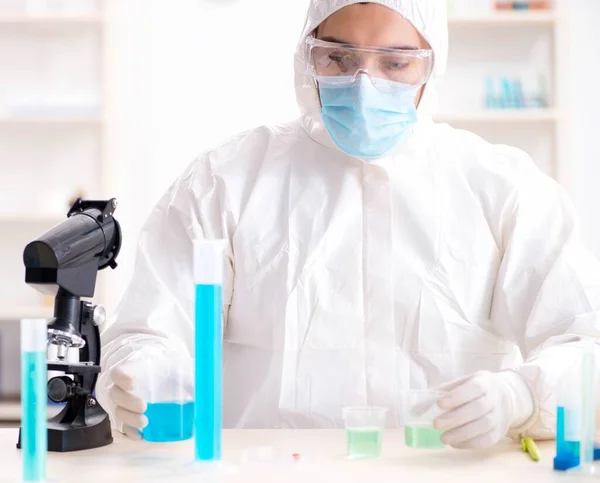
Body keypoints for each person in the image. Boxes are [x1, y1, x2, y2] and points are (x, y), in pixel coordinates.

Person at [97, 0, 600, 450]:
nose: (363, 85)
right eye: (337, 58)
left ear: (432, 64)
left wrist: (523, 396)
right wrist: (140, 373)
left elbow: (585, 343)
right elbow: (148, 330)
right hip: (269, 472)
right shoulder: (225, 181)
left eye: (396, 63)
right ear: (306, 56)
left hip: (443, 470)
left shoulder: (501, 187)